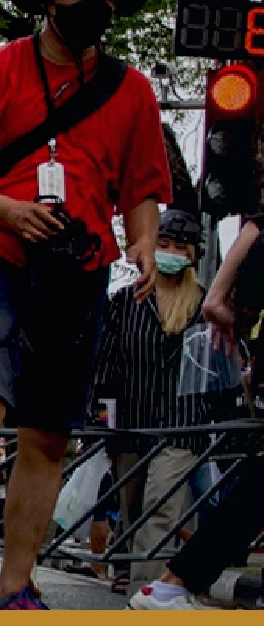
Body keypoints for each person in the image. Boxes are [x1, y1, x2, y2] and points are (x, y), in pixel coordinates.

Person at [0, 0, 168, 609]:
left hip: (80, 266)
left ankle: (17, 581)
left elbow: (142, 184)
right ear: (50, 0)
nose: (91, 7)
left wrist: (142, 241)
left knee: (50, 428)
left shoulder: (132, 90)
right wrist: (9, 210)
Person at [130, 213, 264, 610]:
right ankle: (173, 581)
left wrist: (217, 295)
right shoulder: (131, 301)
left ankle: (174, 581)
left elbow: (256, 224)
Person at [91, 209, 220, 584]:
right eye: (163, 244)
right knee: (130, 510)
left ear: (193, 255)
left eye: (180, 246)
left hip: (183, 426)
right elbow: (105, 367)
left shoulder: (205, 306)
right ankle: (127, 569)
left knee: (160, 510)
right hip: (130, 422)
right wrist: (103, 425)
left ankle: (141, 594)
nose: (171, 252)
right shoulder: (123, 302)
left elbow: (217, 371)